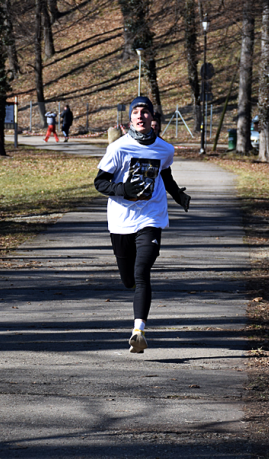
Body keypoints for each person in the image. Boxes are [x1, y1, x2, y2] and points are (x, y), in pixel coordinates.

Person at [94, 96, 191, 353]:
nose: (141, 116)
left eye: (145, 112)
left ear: (152, 119)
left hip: (151, 217)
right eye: (136, 112)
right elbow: (99, 183)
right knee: (129, 280)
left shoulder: (164, 149)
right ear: (130, 119)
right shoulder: (118, 148)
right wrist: (123, 188)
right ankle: (135, 300)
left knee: (142, 271)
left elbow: (165, 172)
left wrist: (177, 195)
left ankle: (139, 331)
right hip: (121, 221)